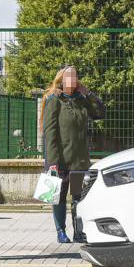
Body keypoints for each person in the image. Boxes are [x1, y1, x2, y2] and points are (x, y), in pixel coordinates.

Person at [41, 65, 105, 243]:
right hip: (59, 159)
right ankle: (61, 232)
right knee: (58, 197)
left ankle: (79, 232)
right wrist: (52, 161)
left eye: (75, 76)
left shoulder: (81, 99)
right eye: (69, 76)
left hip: (79, 159)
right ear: (61, 79)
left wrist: (89, 94)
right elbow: (50, 132)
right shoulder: (54, 99)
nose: (73, 79)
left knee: (78, 197)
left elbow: (100, 113)